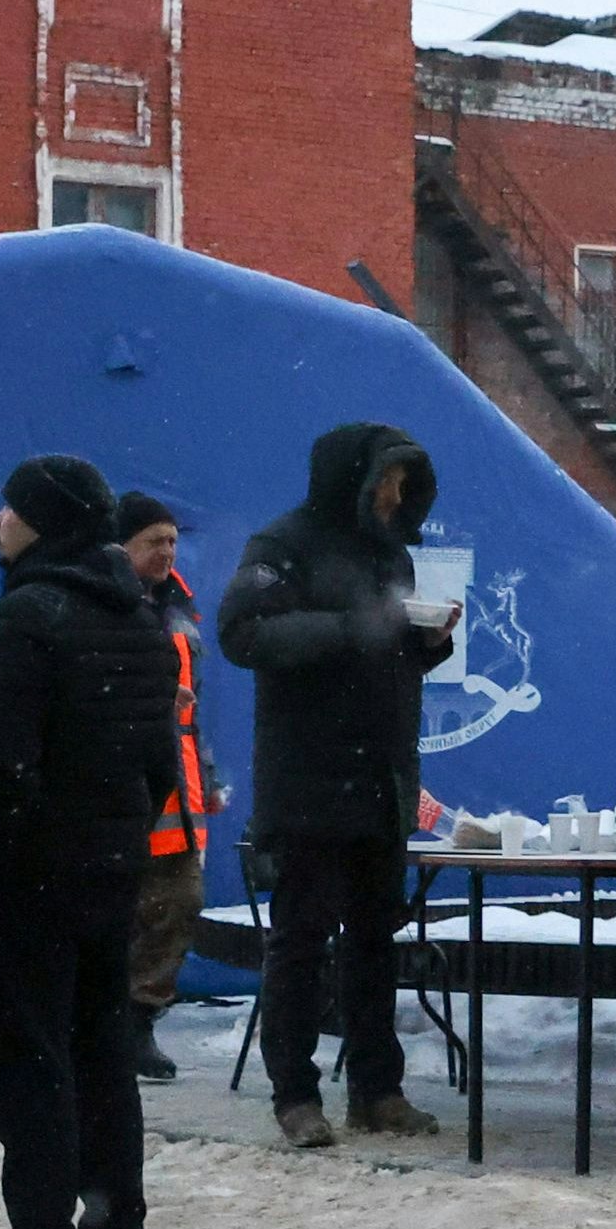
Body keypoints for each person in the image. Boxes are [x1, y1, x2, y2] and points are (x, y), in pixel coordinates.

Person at [0, 455, 181, 1229]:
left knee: (29, 1071)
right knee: (103, 1061)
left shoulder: (23, 620)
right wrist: (109, 839)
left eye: (11, 509)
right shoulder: (141, 622)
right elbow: (159, 766)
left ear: (43, 522)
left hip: (26, 886)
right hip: (109, 875)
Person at [220, 423, 456, 1149]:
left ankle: (377, 1091)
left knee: (375, 944)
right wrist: (348, 628)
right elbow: (244, 634)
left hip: (381, 779)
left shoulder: (392, 554)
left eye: (404, 483)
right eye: (387, 480)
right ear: (350, 477)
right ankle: (296, 1094)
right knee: (299, 941)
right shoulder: (282, 544)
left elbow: (385, 653)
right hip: (307, 777)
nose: (396, 495)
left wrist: (424, 646)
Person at [116, 491, 228, 1083]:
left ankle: (138, 1023)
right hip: (119, 786)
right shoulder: (105, 605)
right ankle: (105, 1025)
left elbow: (193, 706)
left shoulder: (181, 609)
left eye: (172, 541)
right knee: (117, 913)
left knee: (179, 905)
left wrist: (204, 777)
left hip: (178, 789)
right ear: (122, 547)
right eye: (153, 541)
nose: (166, 551)